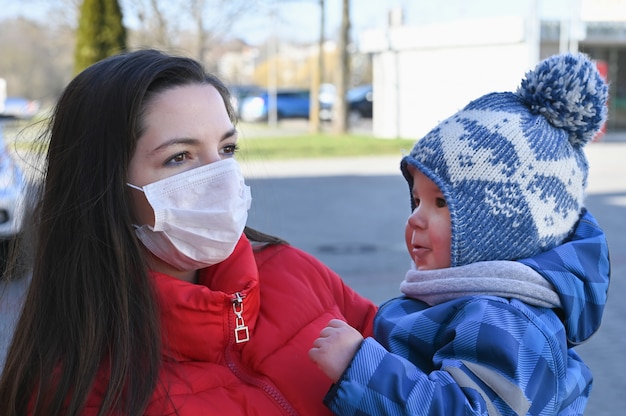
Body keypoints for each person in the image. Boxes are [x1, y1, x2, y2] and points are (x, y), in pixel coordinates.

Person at [0, 48, 378, 415]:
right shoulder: (79, 388)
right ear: (103, 186)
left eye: (227, 149)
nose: (221, 179)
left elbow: (415, 371)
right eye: (179, 157)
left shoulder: (294, 270)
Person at [309, 52, 611, 415]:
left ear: (502, 227)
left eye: (440, 203)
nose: (415, 219)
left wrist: (360, 367)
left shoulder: (505, 319)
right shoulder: (472, 300)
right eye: (417, 200)